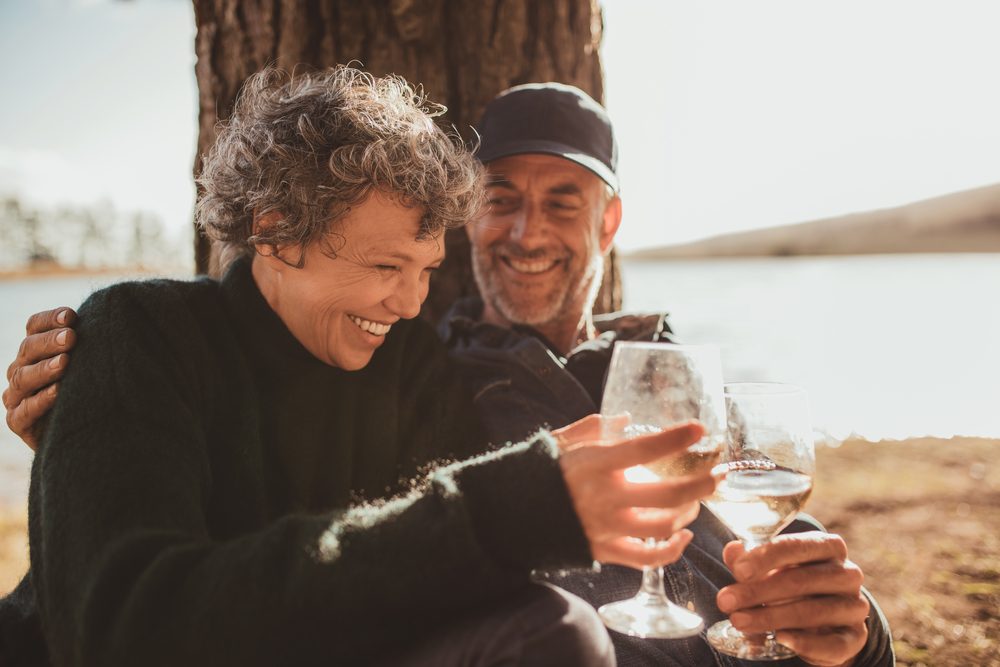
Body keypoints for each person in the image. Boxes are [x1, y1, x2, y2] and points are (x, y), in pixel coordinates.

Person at [4, 81, 895, 666]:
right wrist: (93, 424)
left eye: (425, 273)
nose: (405, 303)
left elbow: (747, 533)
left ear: (610, 221)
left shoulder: (422, 363)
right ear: (275, 231)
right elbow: (122, 617)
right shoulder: (152, 336)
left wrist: (853, 639)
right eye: (501, 198)